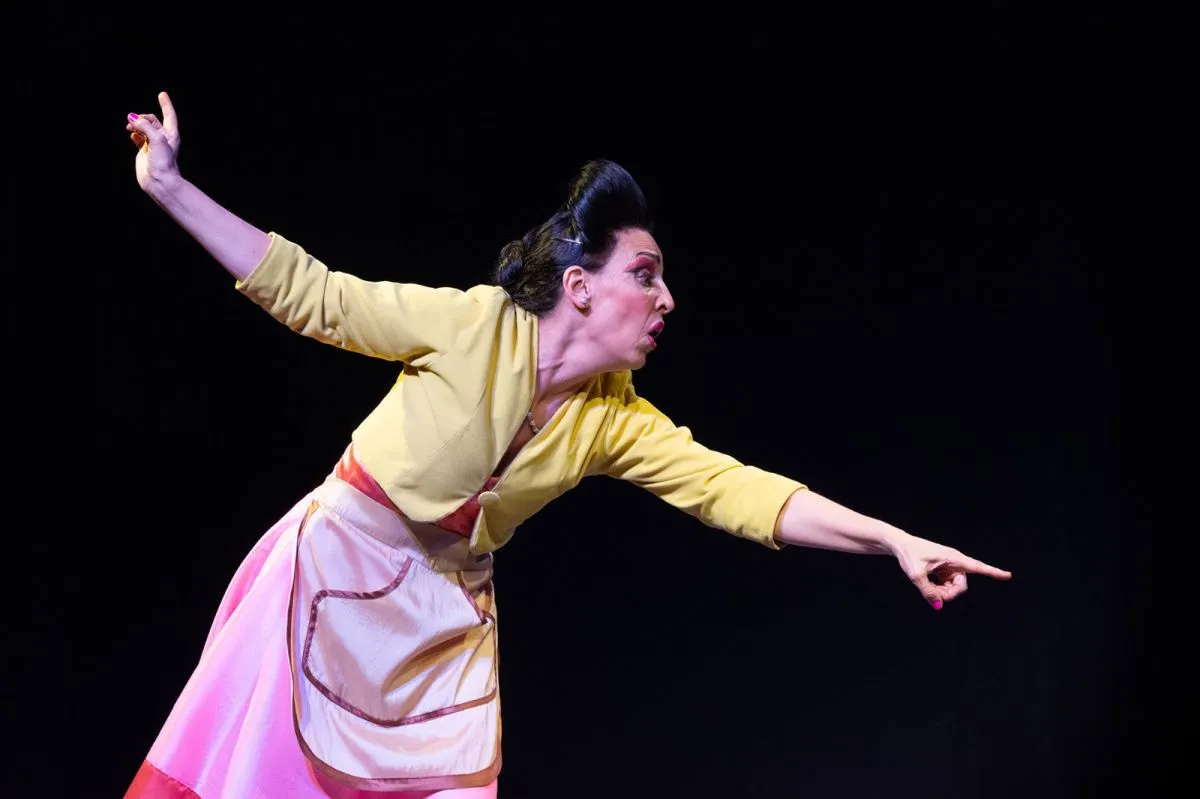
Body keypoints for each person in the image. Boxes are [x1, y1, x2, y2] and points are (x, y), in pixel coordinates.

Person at [121, 91, 1012, 799]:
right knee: (260, 777)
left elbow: (738, 492)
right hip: (334, 572)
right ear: (579, 287)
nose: (666, 300)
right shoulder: (473, 325)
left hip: (442, 627)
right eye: (645, 275)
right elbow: (315, 293)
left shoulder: (612, 419)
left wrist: (891, 538)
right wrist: (169, 187)